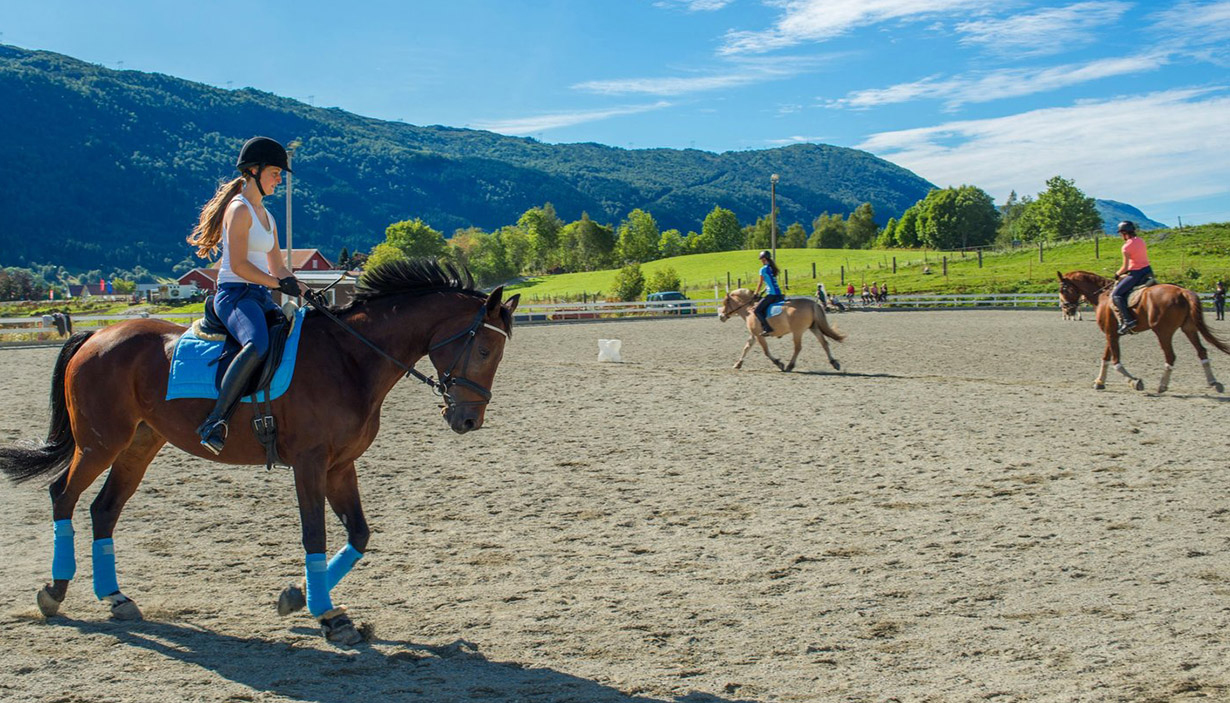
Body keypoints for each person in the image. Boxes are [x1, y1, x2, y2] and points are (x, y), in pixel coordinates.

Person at [185, 136, 309, 454]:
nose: (279, 179)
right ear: (253, 171)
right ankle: (215, 421)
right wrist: (276, 283)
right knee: (257, 343)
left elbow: (279, 267)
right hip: (234, 295)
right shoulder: (238, 210)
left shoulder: (267, 217)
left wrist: (304, 288)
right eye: (275, 173)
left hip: (260, 296)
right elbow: (239, 266)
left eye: (280, 174)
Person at [1111, 221, 1153, 335]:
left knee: (1116, 294)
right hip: (1148, 271)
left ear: (1124, 232)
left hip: (1136, 273)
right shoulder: (1141, 241)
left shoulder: (1126, 247)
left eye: (1120, 233)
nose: (1120, 236)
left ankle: (1128, 321)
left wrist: (1117, 274)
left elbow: (1125, 267)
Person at [752, 250, 784, 335]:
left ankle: (767, 328)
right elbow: (770, 282)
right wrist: (763, 291)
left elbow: (760, 283)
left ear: (764, 259)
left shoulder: (763, 269)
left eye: (761, 259)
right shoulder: (772, 268)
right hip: (778, 294)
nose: (761, 261)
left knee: (757, 311)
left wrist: (756, 293)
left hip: (771, 294)